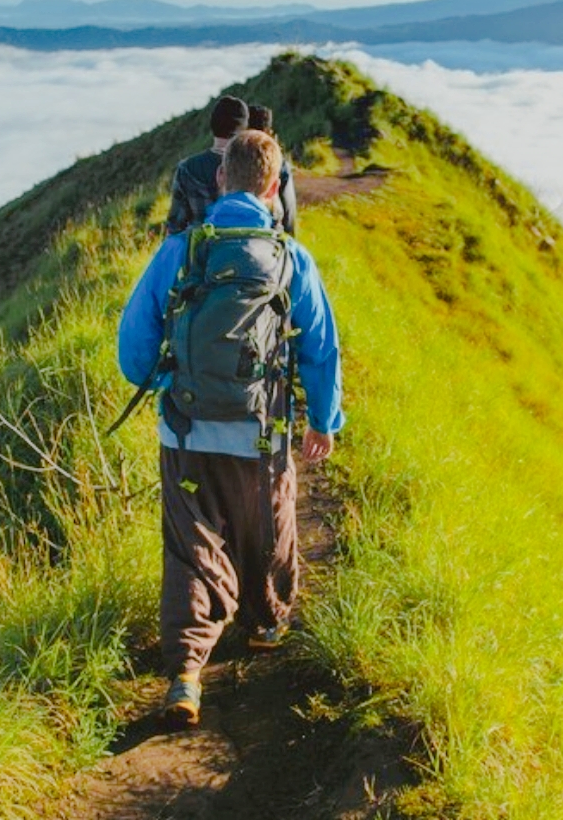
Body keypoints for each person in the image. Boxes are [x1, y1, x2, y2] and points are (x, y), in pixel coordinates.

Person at [118, 129, 343, 726]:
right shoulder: (291, 258)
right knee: (266, 523)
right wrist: (324, 421)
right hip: (260, 435)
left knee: (191, 547)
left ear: (220, 179)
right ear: (273, 188)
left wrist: (166, 382)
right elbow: (321, 351)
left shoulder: (182, 250)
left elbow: (133, 344)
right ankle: (266, 622)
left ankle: (186, 674)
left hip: (186, 434)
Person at [165, 95, 249, 235]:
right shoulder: (253, 166)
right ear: (243, 129)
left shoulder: (186, 168)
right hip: (247, 245)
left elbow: (175, 227)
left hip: (202, 246)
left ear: (213, 125)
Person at [248, 104, 297, 235]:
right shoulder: (279, 164)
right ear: (268, 131)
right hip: (271, 235)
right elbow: (289, 209)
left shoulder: (232, 161)